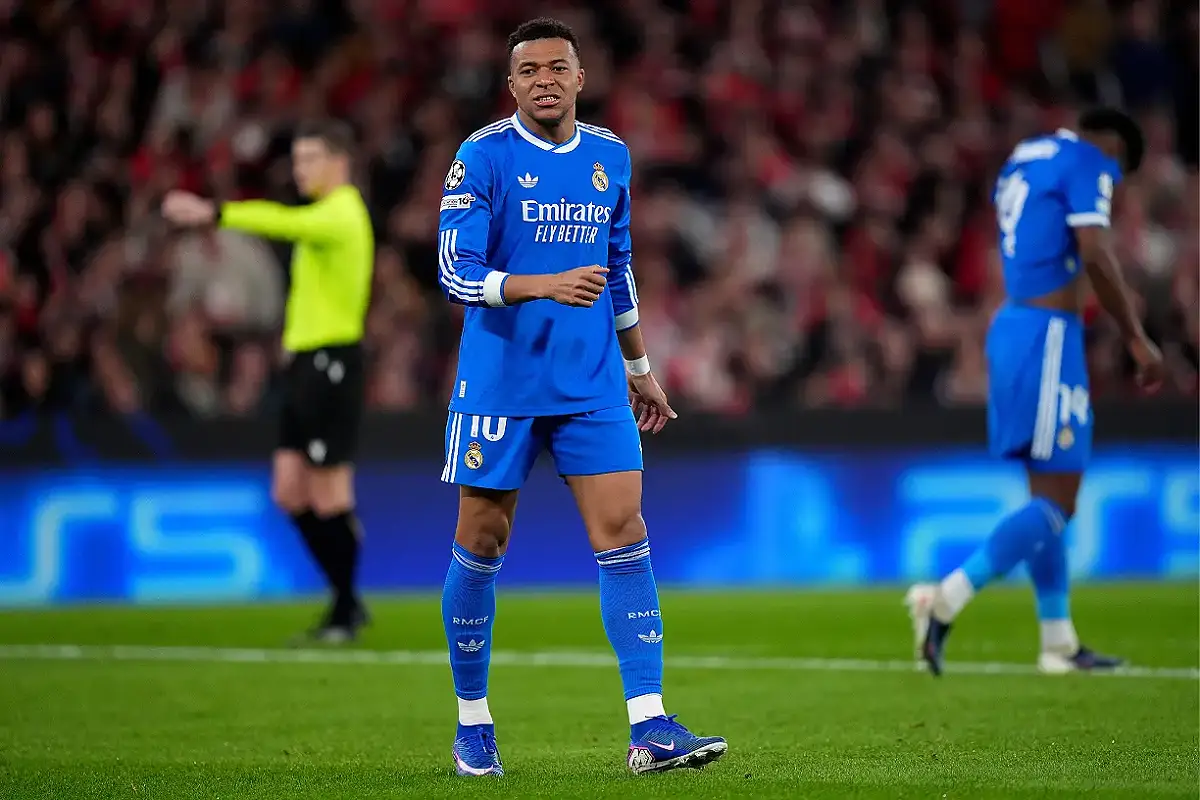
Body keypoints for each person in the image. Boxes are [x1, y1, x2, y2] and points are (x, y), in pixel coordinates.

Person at [435, 17, 727, 777]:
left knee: (625, 528)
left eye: (556, 67)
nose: (543, 80)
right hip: (502, 384)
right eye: (527, 70)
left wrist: (638, 365)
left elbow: (619, 267)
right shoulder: (482, 157)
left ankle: (650, 725)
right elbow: (455, 272)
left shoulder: (609, 157)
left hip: (594, 382)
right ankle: (474, 725)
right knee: (482, 540)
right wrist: (542, 285)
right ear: (512, 84)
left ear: (579, 77)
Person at [906, 108, 1165, 676]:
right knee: (1061, 500)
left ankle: (1058, 642)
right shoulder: (1089, 160)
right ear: (1114, 151)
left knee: (1045, 494)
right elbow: (1094, 251)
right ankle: (944, 598)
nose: (1112, 187)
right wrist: (1138, 339)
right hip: (1048, 337)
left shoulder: (1025, 157)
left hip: (1018, 327)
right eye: (1117, 177)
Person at [161, 120, 374, 644]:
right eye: (297, 162)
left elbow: (283, 223)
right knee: (288, 490)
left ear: (338, 164)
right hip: (305, 365)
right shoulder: (325, 216)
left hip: (333, 364)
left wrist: (214, 212)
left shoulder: (342, 212)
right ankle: (345, 598)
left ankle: (346, 610)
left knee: (328, 493)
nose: (300, 171)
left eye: (309, 160)